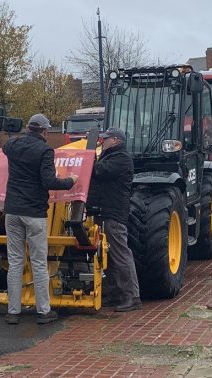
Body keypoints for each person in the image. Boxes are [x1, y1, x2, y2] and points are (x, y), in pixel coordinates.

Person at [3, 113, 78, 325]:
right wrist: (71, 181)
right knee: (37, 262)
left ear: (28, 128)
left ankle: (13, 311)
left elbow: (5, 146)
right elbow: (48, 181)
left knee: (15, 261)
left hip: (12, 211)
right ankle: (44, 311)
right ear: (45, 131)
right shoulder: (45, 151)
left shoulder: (13, 146)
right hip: (34, 213)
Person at [86, 127, 141, 312]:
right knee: (107, 255)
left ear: (116, 140)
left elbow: (99, 171)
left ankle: (131, 296)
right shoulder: (110, 156)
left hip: (114, 213)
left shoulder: (121, 159)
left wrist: (89, 159)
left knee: (120, 253)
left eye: (106, 139)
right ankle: (115, 292)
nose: (103, 141)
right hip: (104, 211)